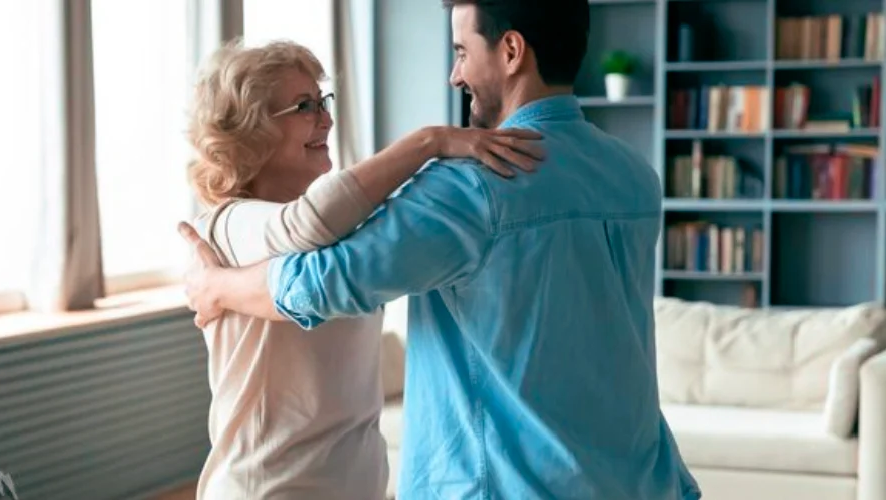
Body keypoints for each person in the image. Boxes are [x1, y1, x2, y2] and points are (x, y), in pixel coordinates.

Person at [178, 1, 703, 499]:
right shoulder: (633, 175)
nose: (455, 76)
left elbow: (320, 282)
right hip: (637, 481)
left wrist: (216, 286)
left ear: (512, 51)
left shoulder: (470, 186)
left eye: (460, 52)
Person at [182, 38, 545, 500]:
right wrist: (430, 141)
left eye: (322, 101)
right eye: (304, 106)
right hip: (268, 489)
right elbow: (308, 223)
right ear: (251, 130)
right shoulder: (227, 226)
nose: (326, 118)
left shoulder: (343, 227)